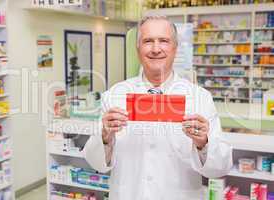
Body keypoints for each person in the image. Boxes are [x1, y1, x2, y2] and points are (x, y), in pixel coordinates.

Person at [83, 14, 232, 200]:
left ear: (175, 48)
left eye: (163, 40)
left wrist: (204, 144)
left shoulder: (199, 98)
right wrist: (105, 138)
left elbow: (221, 166)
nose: (156, 49)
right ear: (138, 49)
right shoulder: (115, 95)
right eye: (148, 41)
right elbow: (96, 163)